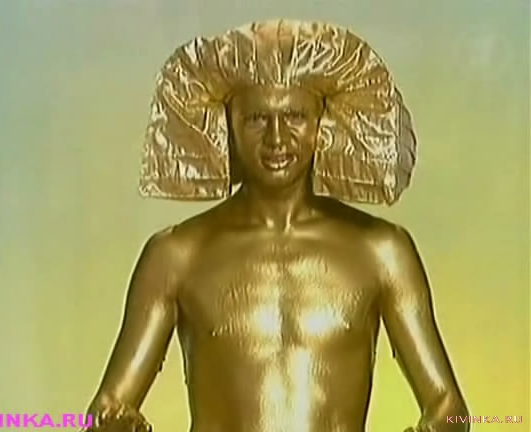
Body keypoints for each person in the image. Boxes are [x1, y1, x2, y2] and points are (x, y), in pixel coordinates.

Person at [82, 20, 469, 432]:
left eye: (295, 116)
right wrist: (112, 423)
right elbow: (107, 407)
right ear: (227, 125)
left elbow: (450, 409)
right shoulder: (175, 256)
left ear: (323, 123)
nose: (277, 137)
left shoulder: (382, 252)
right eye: (256, 119)